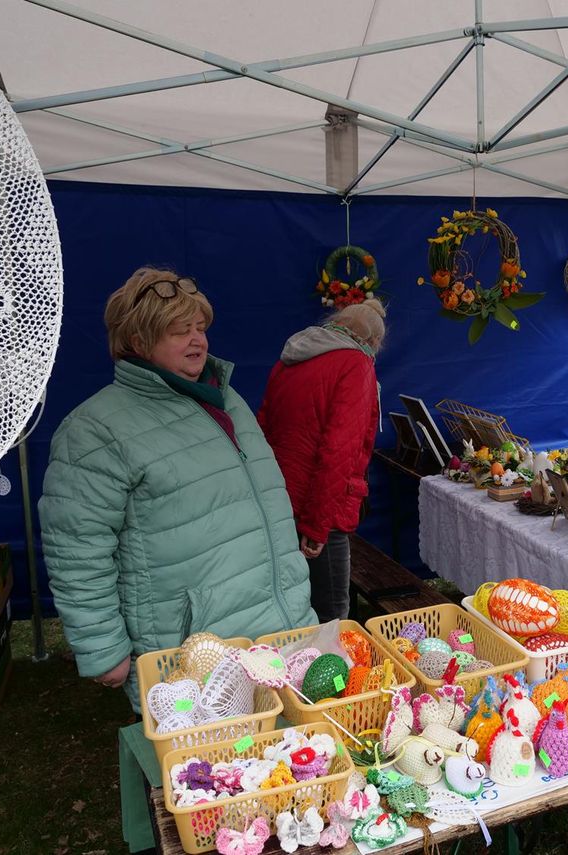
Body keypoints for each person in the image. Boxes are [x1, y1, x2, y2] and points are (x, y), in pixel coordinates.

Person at [39, 267, 316, 709]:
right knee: (213, 772)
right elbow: (77, 548)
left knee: (298, 762)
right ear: (136, 341)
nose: (198, 340)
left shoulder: (227, 399)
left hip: (282, 627)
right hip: (197, 651)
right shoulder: (94, 429)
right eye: (178, 330)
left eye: (200, 327)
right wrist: (103, 649)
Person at [258, 300, 386, 623]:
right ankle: (331, 673)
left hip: (279, 500)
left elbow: (262, 430)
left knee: (291, 608)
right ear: (371, 341)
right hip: (321, 511)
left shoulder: (291, 358)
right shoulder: (356, 364)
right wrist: (317, 526)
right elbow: (339, 452)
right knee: (331, 616)